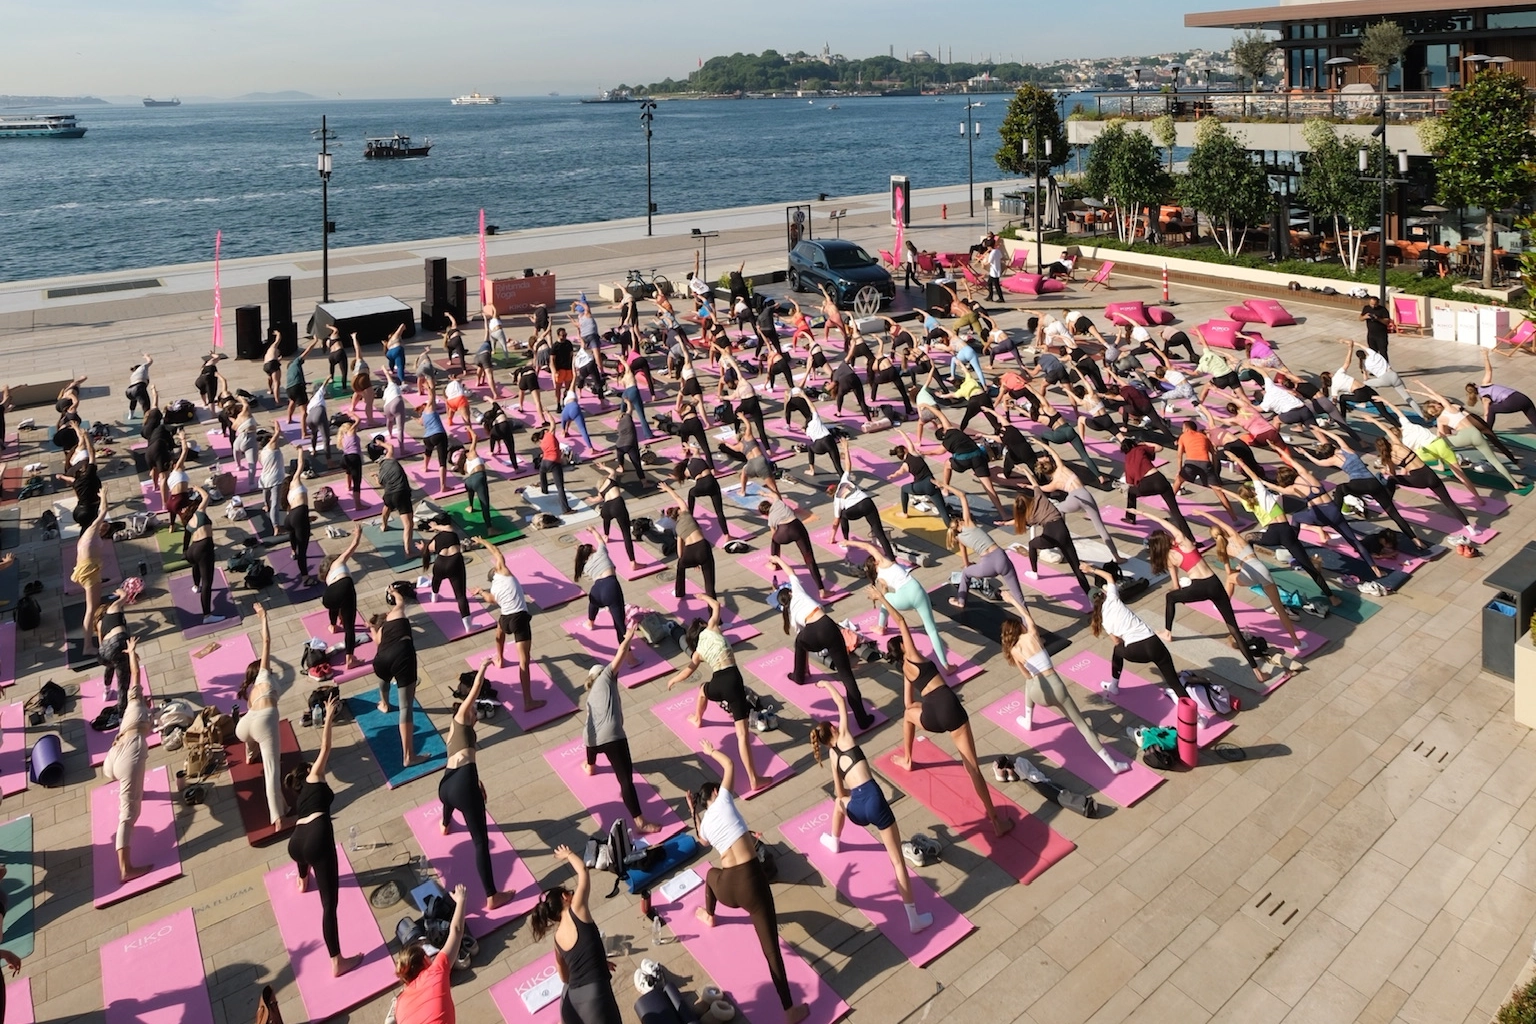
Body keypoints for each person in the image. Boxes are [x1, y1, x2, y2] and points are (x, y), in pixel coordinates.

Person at [689, 740, 811, 1024]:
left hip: (727, 888)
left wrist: (693, 814)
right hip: (751, 882)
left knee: (709, 874)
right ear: (716, 793)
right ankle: (789, 1010)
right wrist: (711, 752)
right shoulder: (723, 799)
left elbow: (702, 840)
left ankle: (709, 915)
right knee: (770, 950)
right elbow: (730, 764)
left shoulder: (705, 823)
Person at [809, 680, 934, 933]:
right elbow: (841, 702)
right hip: (875, 802)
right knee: (897, 861)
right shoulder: (844, 736)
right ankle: (913, 919)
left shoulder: (833, 756)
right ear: (833, 728)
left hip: (856, 807)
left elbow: (838, 791)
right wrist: (826, 685)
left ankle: (834, 840)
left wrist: (848, 802)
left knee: (838, 803)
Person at [881, 596, 1012, 837]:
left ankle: (908, 759)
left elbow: (908, 705)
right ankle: (996, 821)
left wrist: (921, 703)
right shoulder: (912, 654)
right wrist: (881, 598)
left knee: (908, 714)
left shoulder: (906, 671)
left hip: (932, 718)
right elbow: (900, 620)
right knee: (972, 768)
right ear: (902, 647)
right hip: (950, 708)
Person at [1140, 508, 1267, 686]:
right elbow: (1166, 524)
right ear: (1167, 538)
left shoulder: (1169, 558)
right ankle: (1257, 672)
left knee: (1170, 598)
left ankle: (1168, 632)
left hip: (1198, 588)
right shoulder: (1184, 543)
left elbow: (1175, 586)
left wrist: (1179, 594)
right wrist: (1146, 514)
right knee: (1234, 629)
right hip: (1214, 584)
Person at [1001, 607, 1131, 773]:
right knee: (1083, 727)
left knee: (1030, 681)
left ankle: (1028, 719)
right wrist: (1013, 602)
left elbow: (1027, 676)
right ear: (1020, 627)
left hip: (1038, 694)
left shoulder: (1013, 651)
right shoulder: (1032, 635)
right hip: (1055, 687)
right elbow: (1027, 616)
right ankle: (1113, 765)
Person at [667, 594, 768, 792]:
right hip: (733, 680)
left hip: (718, 683)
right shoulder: (713, 626)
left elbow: (688, 670)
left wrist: (673, 680)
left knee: (702, 690)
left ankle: (697, 718)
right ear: (704, 625)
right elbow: (716, 605)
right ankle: (754, 779)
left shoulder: (697, 652)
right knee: (742, 734)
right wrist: (702, 596)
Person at [440, 659, 515, 910]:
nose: (477, 713)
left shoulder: (455, 730)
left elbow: (464, 762)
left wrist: (477, 782)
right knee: (480, 841)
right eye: (474, 710)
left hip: (446, 787)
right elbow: (474, 692)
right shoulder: (461, 716)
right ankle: (492, 895)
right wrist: (482, 668)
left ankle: (445, 824)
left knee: (453, 799)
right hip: (461, 785)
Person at [771, 555, 875, 730]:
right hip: (827, 626)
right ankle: (862, 719)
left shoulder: (790, 615)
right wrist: (776, 559)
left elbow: (802, 637)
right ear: (789, 593)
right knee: (846, 676)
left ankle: (799, 676)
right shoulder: (796, 590)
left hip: (811, 634)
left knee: (799, 642)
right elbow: (790, 571)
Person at [529, 846, 624, 1024]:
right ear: (565, 897)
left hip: (571, 1001)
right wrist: (569, 854)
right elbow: (583, 872)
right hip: (596, 998)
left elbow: (565, 977)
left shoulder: (557, 940)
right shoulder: (576, 910)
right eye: (571, 892)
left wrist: (597, 963)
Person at [584, 624, 664, 833]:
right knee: (625, 780)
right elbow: (620, 655)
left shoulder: (591, 695)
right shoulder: (607, 677)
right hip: (613, 737)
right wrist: (628, 637)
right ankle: (640, 822)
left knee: (593, 744)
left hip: (590, 739)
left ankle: (590, 765)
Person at [1193, 509, 1303, 652]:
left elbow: (1228, 572)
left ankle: (1222, 604)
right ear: (1223, 531)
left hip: (1248, 574)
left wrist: (1238, 570)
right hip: (1261, 569)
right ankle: (1297, 643)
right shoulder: (1236, 536)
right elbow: (1219, 521)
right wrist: (1202, 513)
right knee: (1280, 609)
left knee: (1230, 579)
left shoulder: (1223, 550)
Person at [1084, 565, 1189, 700]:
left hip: (1136, 650)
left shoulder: (1103, 621)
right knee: (1174, 681)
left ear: (1093, 605)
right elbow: (1109, 577)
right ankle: (1195, 716)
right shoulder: (1113, 598)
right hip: (1153, 642)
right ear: (1103, 594)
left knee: (1117, 651)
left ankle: (1114, 686)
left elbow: (1117, 642)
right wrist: (1091, 569)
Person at [235, 604, 294, 829]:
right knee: (272, 771)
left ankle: (250, 754)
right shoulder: (264, 672)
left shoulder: (251, 692)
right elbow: (266, 641)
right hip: (264, 720)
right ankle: (278, 818)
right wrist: (263, 617)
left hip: (244, 727)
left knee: (251, 737)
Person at [472, 537, 544, 711]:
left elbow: (489, 599)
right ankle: (528, 701)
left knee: (499, 633)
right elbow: (496, 552)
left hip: (505, 619)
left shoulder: (494, 589)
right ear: (496, 570)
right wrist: (483, 542)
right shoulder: (503, 571)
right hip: (519, 618)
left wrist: (481, 591)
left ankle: (500, 658)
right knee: (524, 661)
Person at [102, 637, 153, 882]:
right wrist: (132, 652)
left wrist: (133, 652)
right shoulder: (137, 701)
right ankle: (125, 869)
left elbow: (134, 675)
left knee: (128, 789)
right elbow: (135, 673)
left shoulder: (133, 705)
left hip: (112, 757)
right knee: (129, 813)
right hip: (128, 754)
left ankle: (126, 866)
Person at [942, 485, 1027, 611]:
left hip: (988, 567)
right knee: (1019, 597)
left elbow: (965, 563)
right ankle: (1029, 624)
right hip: (1001, 557)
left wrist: (969, 566)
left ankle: (960, 601)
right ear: (960, 521)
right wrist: (943, 484)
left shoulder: (960, 539)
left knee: (965, 573)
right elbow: (962, 495)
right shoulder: (969, 524)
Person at [394, 883, 470, 1021]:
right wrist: (461, 900)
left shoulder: (401, 1003)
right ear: (425, 960)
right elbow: (457, 930)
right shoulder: (436, 971)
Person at [371, 581, 423, 769]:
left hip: (380, 661)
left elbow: (375, 640)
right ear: (387, 615)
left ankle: (384, 704)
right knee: (406, 706)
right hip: (402, 657)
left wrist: (372, 628)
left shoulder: (379, 633)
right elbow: (400, 601)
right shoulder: (395, 614)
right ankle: (409, 756)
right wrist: (393, 592)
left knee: (383, 676)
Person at [1011, 475, 1091, 594]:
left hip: (1051, 536)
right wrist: (1025, 471)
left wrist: (1005, 523)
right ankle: (1091, 597)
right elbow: (1034, 483)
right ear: (1028, 499)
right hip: (1062, 530)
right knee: (1076, 567)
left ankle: (1034, 572)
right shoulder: (1040, 497)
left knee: (1032, 544)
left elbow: (1018, 522)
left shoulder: (1029, 517)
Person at [575, 528, 636, 661]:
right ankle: (631, 659)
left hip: (596, 591)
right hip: (611, 588)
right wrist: (593, 530)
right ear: (593, 551)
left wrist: (579, 551)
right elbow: (600, 540)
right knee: (619, 625)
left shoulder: (585, 566)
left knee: (593, 603)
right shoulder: (601, 552)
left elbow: (583, 555)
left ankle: (590, 622)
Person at [830, 437, 894, 558]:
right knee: (879, 532)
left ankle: (845, 541)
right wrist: (845, 448)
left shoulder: (837, 499)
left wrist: (831, 537)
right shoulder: (843, 480)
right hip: (867, 502)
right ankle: (891, 558)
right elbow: (848, 465)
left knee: (842, 515)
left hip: (855, 509)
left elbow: (835, 521)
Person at [658, 480, 716, 600]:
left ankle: (680, 592)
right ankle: (715, 613)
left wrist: (690, 561)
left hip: (690, 551)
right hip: (703, 547)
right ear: (679, 511)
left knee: (680, 567)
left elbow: (680, 552)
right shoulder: (686, 513)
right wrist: (667, 488)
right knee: (709, 585)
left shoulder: (678, 529)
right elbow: (678, 497)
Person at [760, 495, 826, 596]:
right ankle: (822, 590)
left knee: (774, 540)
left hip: (783, 533)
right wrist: (763, 494)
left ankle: (773, 563)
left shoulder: (771, 519)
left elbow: (773, 535)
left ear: (764, 514)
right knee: (809, 559)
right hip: (797, 528)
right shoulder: (778, 502)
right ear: (770, 504)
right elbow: (774, 494)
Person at [179, 483, 226, 625]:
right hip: (204, 548)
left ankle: (195, 586)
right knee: (208, 582)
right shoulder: (200, 512)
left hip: (193, 550)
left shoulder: (189, 522)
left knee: (196, 566)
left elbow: (186, 538)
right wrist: (197, 488)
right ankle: (207, 616)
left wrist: (185, 552)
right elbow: (206, 496)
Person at [420, 515, 475, 635]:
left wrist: (422, 547)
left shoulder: (434, 540)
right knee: (460, 596)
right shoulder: (452, 532)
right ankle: (469, 626)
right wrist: (436, 526)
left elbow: (427, 549)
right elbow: (449, 527)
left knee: (436, 579)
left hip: (440, 563)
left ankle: (434, 597)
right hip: (454, 562)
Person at [321, 525, 364, 670]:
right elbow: (354, 546)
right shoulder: (338, 562)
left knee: (334, 605)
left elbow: (334, 602)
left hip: (328, 597)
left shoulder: (328, 578)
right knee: (349, 627)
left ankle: (333, 625)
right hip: (346, 586)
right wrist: (357, 534)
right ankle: (350, 659)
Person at [1468, 349, 1536, 430]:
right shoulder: (1485, 383)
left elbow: (1487, 414)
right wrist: (1485, 356)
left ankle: (1488, 431)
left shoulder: (1484, 398)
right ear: (1476, 385)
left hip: (1511, 402)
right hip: (1522, 398)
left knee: (1492, 409)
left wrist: (1485, 425)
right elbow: (1489, 370)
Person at [375, 439, 416, 558]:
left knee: (387, 507)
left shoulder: (381, 472)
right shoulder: (390, 460)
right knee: (408, 524)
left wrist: (375, 478)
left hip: (389, 495)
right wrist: (381, 443)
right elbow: (391, 447)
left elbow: (380, 484)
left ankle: (384, 525)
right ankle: (408, 552)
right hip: (401, 493)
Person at [286, 448, 320, 588]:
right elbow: (300, 463)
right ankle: (305, 577)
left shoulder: (289, 490)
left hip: (291, 517)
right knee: (303, 550)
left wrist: (306, 518)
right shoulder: (295, 480)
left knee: (293, 533)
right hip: (299, 516)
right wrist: (300, 450)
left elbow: (294, 512)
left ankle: (293, 552)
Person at [284, 337, 320, 432]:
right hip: (297, 387)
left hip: (289, 389)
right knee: (304, 411)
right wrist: (315, 341)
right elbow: (307, 351)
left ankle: (289, 419)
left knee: (292, 402)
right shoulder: (296, 362)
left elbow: (295, 379)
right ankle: (304, 433)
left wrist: (304, 383)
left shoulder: (289, 371)